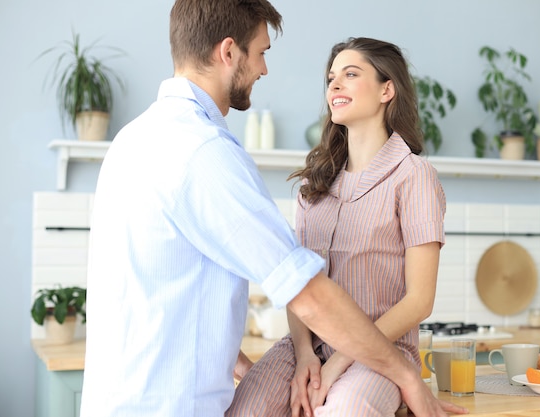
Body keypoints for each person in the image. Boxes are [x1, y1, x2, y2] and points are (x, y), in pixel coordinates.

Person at [80, 0, 467, 414]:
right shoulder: (208, 153)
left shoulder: (132, 140)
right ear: (229, 53)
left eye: (349, 75)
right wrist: (400, 375)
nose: (264, 69)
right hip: (172, 402)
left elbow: (160, 272)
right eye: (261, 53)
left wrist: (231, 355)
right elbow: (304, 290)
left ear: (387, 89)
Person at [227, 37, 458, 417]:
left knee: (344, 410)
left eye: (351, 75)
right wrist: (304, 355)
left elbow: (420, 301)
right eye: (332, 77)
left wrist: (340, 362)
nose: (334, 85)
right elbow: (297, 282)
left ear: (387, 89)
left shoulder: (414, 176)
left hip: (381, 353)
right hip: (305, 344)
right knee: (246, 410)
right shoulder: (313, 186)